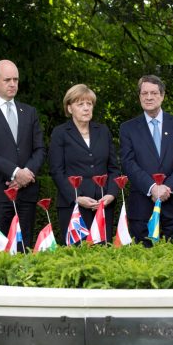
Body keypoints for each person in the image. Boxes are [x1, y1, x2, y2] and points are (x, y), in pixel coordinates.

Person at [0, 60, 45, 248]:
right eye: (7, 80)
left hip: (26, 194)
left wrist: (26, 175)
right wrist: (16, 173)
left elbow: (39, 149)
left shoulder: (29, 112)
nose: (12, 84)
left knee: (24, 251)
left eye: (16, 80)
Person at [119, 75, 173, 243]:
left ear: (162, 95)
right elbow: (128, 162)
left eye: (153, 93)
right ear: (139, 96)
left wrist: (168, 188)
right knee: (142, 257)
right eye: (144, 93)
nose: (149, 97)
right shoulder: (127, 128)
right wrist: (152, 187)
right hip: (142, 206)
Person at [49, 84, 120, 241]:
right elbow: (56, 171)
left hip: (103, 204)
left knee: (104, 252)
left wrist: (111, 194)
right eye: (80, 104)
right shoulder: (60, 133)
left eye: (89, 104)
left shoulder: (103, 131)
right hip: (73, 206)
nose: (86, 108)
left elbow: (114, 168)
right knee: (76, 253)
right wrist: (77, 197)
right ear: (69, 108)